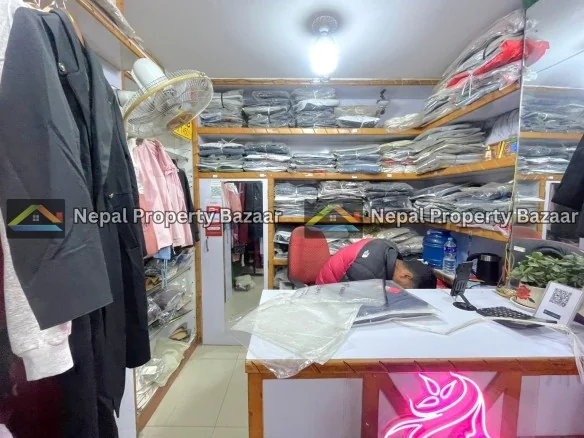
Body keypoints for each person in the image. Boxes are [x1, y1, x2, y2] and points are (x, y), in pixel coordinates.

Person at [315, 238, 437, 289]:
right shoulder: (366, 273)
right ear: (406, 275)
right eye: (406, 289)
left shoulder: (390, 249)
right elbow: (350, 303)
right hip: (326, 291)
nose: (402, 290)